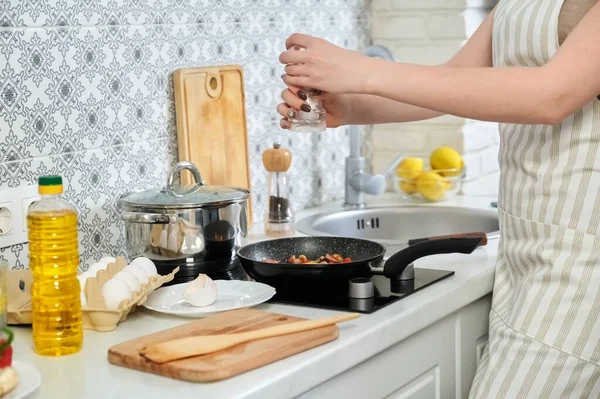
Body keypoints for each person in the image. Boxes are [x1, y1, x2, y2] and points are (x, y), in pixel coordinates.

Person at [277, 0, 600, 397]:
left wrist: (365, 71)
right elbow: (455, 79)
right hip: (527, 254)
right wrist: (349, 106)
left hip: (585, 259)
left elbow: (552, 95)